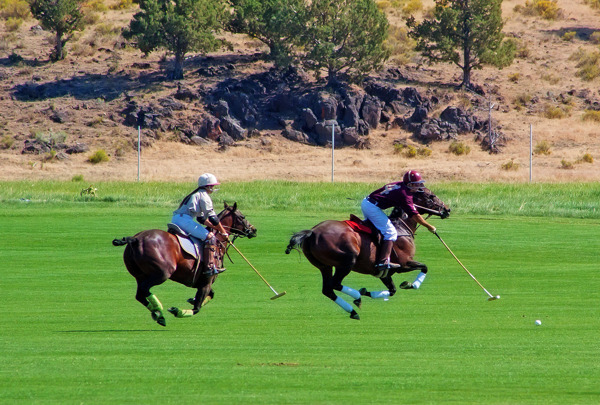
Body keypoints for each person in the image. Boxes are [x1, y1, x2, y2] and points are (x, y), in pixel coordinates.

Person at [361, 170, 437, 271]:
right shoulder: (405, 194)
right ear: (409, 184)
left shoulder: (401, 185)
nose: (419, 187)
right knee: (391, 232)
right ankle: (383, 261)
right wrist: (429, 226)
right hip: (372, 207)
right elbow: (415, 216)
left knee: (378, 229)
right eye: (416, 184)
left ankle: (374, 252)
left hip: (367, 202)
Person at [171, 173, 229, 274]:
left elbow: (201, 219)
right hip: (185, 220)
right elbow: (214, 218)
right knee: (210, 237)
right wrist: (223, 232)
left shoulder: (196, 194)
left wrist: (216, 228)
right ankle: (210, 267)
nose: (213, 188)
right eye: (213, 186)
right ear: (208, 186)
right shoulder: (204, 196)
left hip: (176, 219)